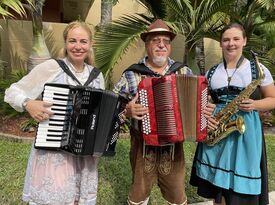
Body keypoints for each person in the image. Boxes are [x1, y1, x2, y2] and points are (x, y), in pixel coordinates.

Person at [113, 19, 213, 205]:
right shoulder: (131, 74)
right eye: (155, 40)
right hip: (142, 147)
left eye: (165, 41)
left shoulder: (183, 71)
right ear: (147, 44)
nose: (161, 44)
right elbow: (111, 105)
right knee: (139, 195)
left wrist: (205, 109)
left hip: (173, 148)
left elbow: (200, 103)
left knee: (176, 195)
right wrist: (127, 109)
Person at [4, 21, 104, 205]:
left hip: (85, 156)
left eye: (83, 41)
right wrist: (28, 103)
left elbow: (99, 114)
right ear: (65, 43)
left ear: (91, 44)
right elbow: (12, 92)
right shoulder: (52, 67)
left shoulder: (97, 76)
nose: (78, 46)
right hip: (54, 152)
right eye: (72, 41)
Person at [190, 22, 275, 205]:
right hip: (218, 129)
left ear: (244, 41)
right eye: (226, 39)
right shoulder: (212, 72)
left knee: (239, 193)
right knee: (217, 192)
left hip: (245, 132)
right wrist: (206, 112)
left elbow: (273, 99)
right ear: (221, 43)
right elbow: (204, 102)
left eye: (236, 39)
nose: (231, 43)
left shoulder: (258, 70)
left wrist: (255, 104)